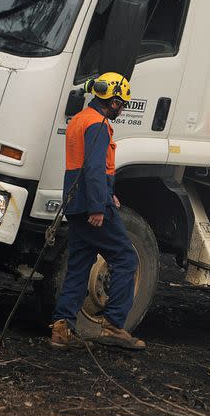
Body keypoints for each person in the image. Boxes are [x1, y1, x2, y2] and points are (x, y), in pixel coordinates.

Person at [50, 72, 145, 350]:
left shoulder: (80, 119)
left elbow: (86, 166)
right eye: (122, 103)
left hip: (75, 202)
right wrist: (98, 206)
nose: (122, 108)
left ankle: (61, 328)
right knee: (126, 258)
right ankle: (114, 326)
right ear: (113, 101)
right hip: (91, 204)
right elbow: (92, 168)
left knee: (80, 264)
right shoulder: (98, 125)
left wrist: (107, 193)